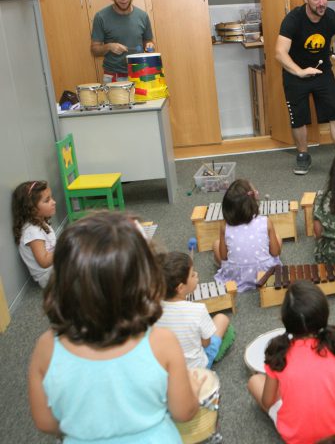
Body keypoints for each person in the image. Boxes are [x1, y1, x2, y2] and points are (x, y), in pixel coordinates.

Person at [27, 212, 201, 442]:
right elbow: (184, 411)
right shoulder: (162, 342)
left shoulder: (46, 347)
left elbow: (45, 421)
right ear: (144, 282)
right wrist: (195, 389)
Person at [247, 281, 335, 444]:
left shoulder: (279, 353)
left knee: (254, 381)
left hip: (295, 437)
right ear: (324, 315)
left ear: (284, 319)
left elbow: (267, 401)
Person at [276, 0, 335, 175]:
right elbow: (280, 52)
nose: (321, 3)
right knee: (298, 118)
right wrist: (299, 71)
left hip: (321, 72)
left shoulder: (331, 17)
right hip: (295, 73)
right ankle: (303, 155)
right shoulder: (293, 19)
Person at [156, 252, 234, 369]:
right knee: (221, 319)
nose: (196, 274)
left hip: (169, 370)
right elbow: (205, 343)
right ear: (180, 288)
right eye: (192, 275)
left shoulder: (154, 310)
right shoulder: (198, 310)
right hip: (197, 369)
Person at [214, 178, 282, 292]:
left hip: (236, 276)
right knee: (278, 238)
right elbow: (275, 252)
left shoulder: (225, 226)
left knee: (216, 245)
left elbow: (224, 257)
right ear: (253, 200)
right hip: (265, 273)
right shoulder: (266, 221)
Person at [90, 0, 154, 83]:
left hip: (140, 75)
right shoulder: (101, 17)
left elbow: (148, 41)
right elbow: (94, 50)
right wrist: (109, 47)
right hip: (113, 78)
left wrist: (149, 45)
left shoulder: (143, 16)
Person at [12, 181, 56, 287]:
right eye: (47, 200)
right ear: (32, 209)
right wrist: (64, 248)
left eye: (51, 198)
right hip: (49, 276)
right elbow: (44, 262)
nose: (53, 202)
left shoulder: (39, 222)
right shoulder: (32, 232)